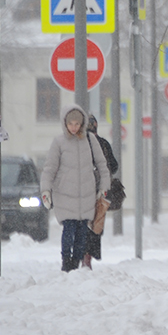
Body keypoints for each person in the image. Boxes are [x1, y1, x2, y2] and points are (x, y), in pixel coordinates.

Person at [41, 105, 111, 272]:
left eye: (77, 124)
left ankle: (76, 261)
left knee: (82, 232)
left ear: (82, 124)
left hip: (86, 194)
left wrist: (104, 187)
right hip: (65, 194)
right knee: (69, 228)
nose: (74, 127)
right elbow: (49, 168)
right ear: (65, 123)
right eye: (70, 123)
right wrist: (45, 190)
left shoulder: (90, 140)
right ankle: (66, 261)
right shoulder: (59, 142)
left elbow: (102, 165)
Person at [82, 114, 119, 269]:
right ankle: (88, 257)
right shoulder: (103, 143)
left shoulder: (78, 144)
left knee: (82, 222)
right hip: (100, 191)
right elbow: (114, 166)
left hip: (82, 190)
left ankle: (82, 256)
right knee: (96, 225)